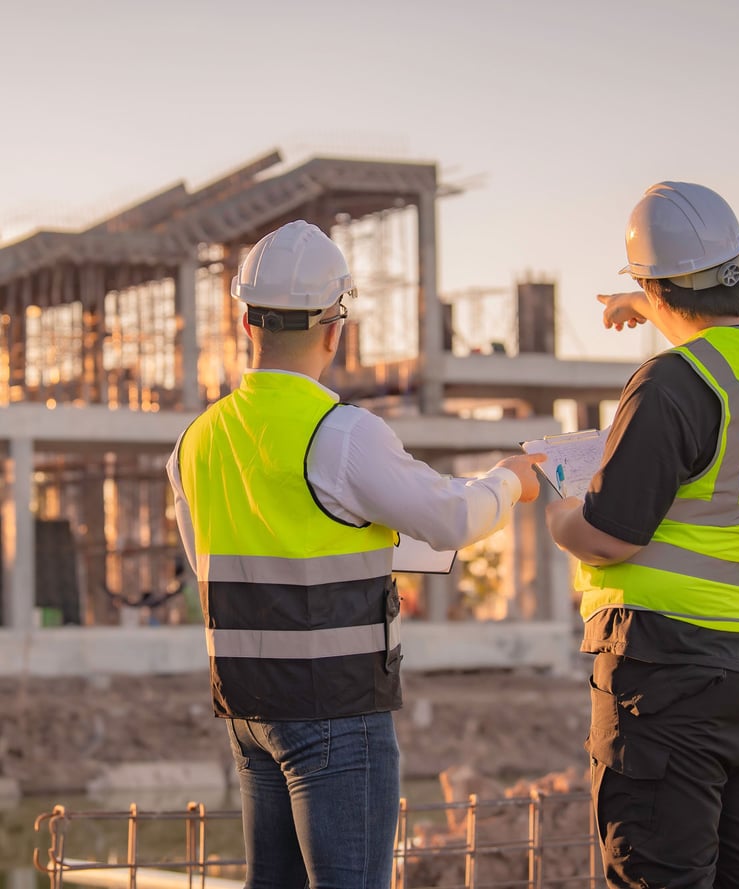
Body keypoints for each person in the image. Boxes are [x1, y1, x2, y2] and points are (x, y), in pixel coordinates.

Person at [166, 220, 543, 889]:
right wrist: (512, 478)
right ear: (335, 328)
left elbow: (215, 561)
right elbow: (450, 517)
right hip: (335, 710)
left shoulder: (196, 441)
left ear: (246, 321)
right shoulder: (343, 435)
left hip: (249, 710)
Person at [543, 181, 739, 889]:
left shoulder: (672, 385)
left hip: (665, 673)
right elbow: (732, 342)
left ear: (655, 290)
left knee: (661, 873)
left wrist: (560, 509)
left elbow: (608, 534)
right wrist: (650, 302)